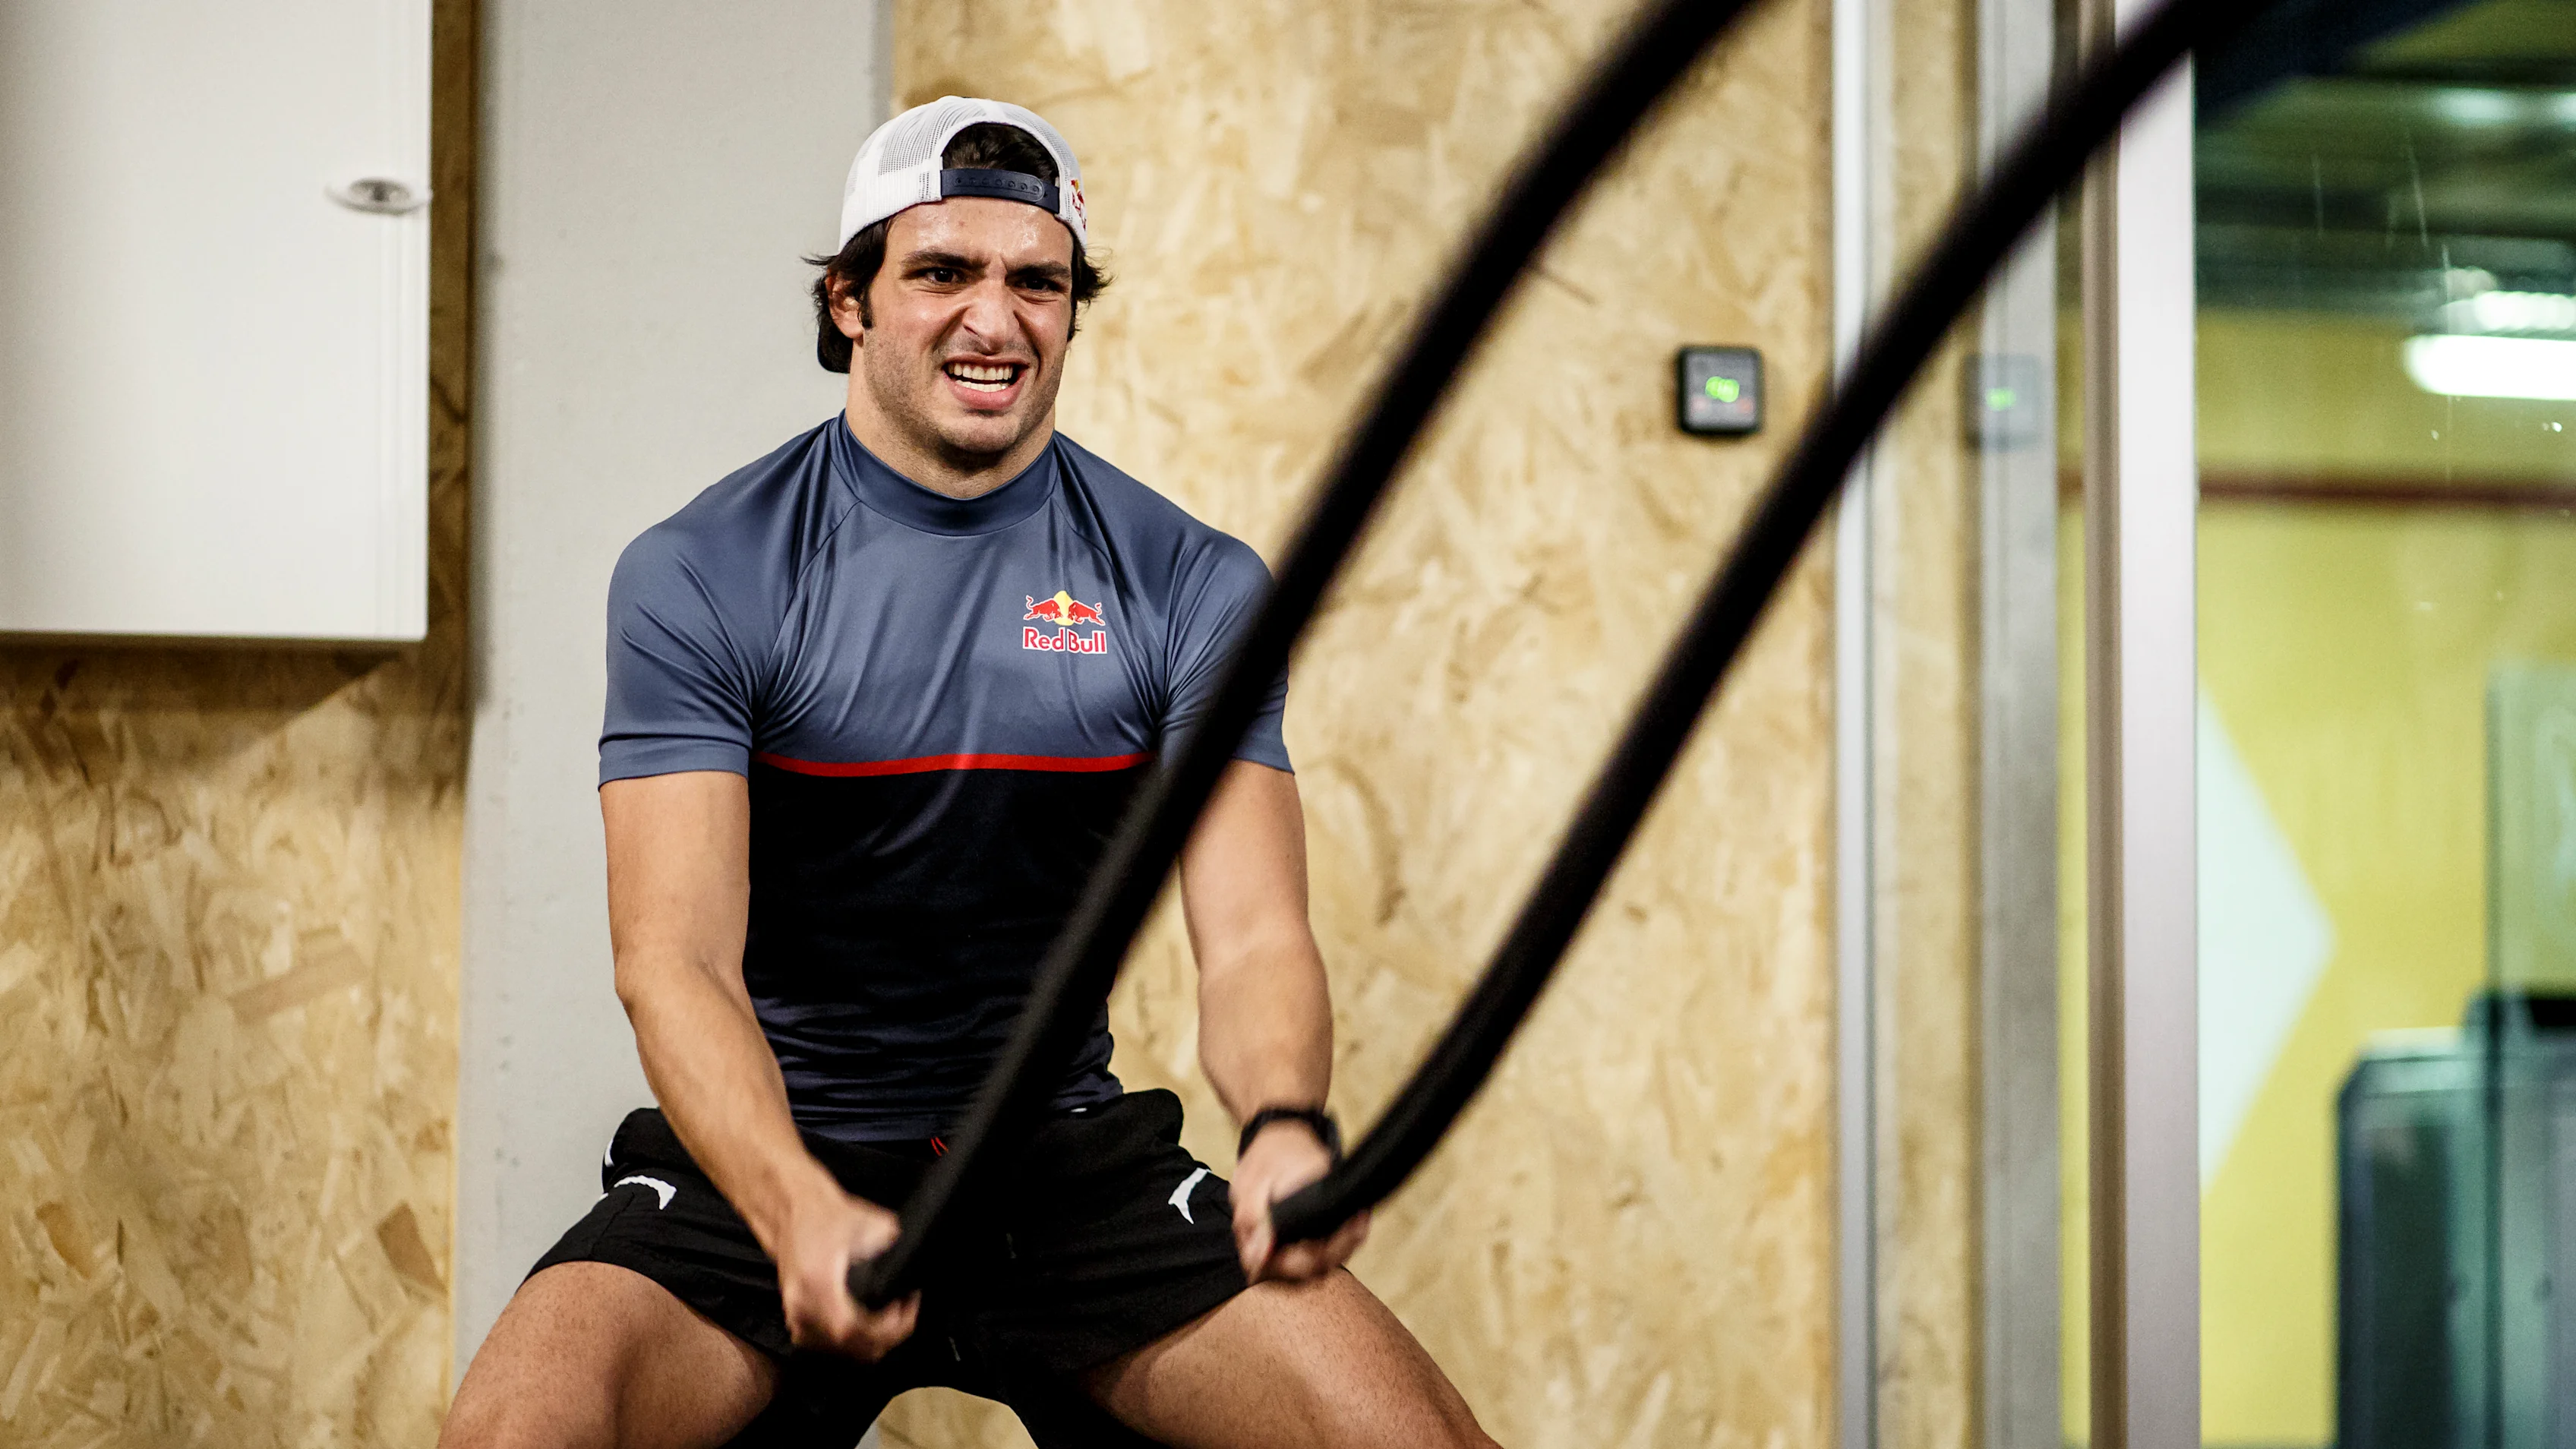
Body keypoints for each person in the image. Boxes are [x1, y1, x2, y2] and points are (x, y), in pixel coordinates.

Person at [440, 97, 1498, 1449]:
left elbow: (1251, 941)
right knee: (517, 1434)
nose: (993, 320)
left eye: (1036, 281)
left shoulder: (1190, 584)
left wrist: (1286, 1123)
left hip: (1056, 1160)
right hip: (780, 1155)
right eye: (942, 273)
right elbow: (673, 962)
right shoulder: (703, 573)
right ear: (850, 304)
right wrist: (792, 1206)